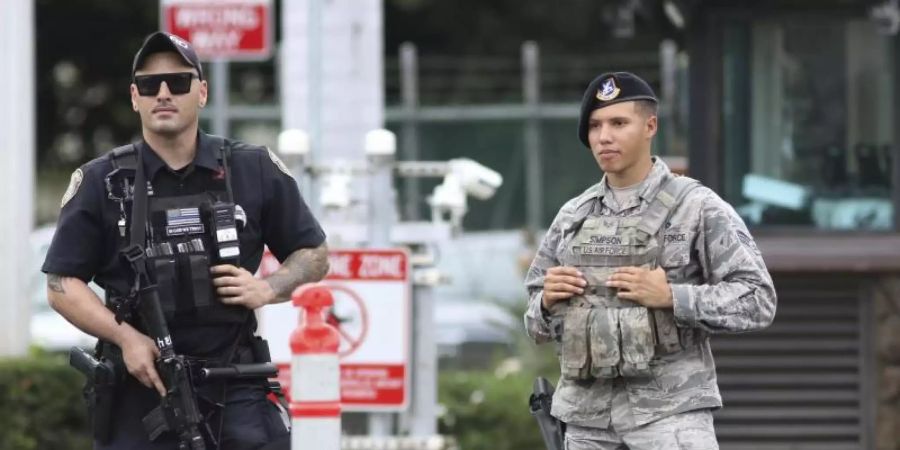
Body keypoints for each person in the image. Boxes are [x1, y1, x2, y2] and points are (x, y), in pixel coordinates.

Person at [42, 31, 329, 449]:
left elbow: (315, 254)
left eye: (178, 82)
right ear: (134, 97)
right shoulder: (101, 181)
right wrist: (126, 339)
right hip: (142, 384)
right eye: (148, 84)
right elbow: (61, 284)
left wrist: (268, 287)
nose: (163, 93)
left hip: (236, 383)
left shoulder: (253, 168)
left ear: (203, 92)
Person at [523, 71, 777, 450]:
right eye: (595, 125)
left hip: (669, 416)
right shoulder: (573, 216)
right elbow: (534, 323)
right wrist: (544, 303)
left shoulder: (697, 207)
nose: (604, 136)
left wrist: (673, 297)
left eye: (618, 123)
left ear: (650, 126)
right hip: (585, 420)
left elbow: (758, 300)